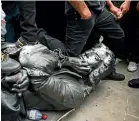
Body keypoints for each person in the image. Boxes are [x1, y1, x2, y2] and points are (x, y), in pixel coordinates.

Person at [64, 0, 126, 81]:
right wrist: (84, 11)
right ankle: (67, 84)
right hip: (80, 12)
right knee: (71, 54)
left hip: (99, 9)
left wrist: (110, 5)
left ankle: (106, 69)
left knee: (116, 35)